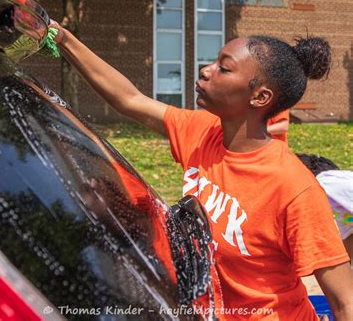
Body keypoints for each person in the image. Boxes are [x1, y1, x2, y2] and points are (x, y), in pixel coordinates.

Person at [49, 22, 352, 320]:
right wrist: (62, 38)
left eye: (224, 67)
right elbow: (129, 99)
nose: (206, 70)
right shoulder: (203, 131)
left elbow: (344, 300)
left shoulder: (293, 188)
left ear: (259, 97)